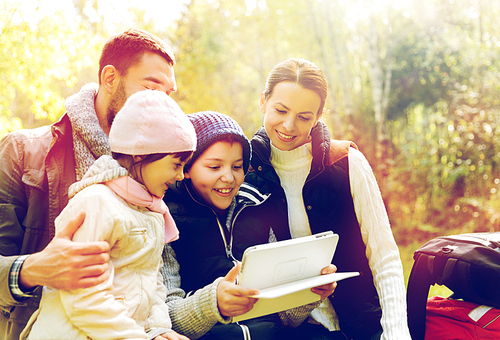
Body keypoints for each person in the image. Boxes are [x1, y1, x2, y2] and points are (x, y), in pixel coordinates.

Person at [0, 28, 177, 339]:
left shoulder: (159, 170)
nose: (161, 104)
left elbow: (153, 275)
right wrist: (31, 269)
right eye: (151, 89)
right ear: (110, 79)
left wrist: (161, 330)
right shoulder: (21, 153)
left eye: (169, 95)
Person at [244, 58, 412, 340]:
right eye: (280, 110)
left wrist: (396, 333)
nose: (289, 125)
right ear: (263, 101)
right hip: (289, 332)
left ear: (319, 115)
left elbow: (384, 258)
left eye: (304, 116)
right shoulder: (244, 174)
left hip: (361, 326)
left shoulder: (347, 162)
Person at [21, 90, 195, 340]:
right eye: (176, 165)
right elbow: (84, 298)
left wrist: (158, 330)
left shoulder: (151, 210)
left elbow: (152, 281)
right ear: (140, 154)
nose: (179, 176)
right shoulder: (96, 203)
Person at [161, 111, 337, 340]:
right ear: (186, 169)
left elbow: (284, 318)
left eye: (237, 166)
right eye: (215, 167)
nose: (229, 177)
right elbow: (165, 316)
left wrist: (308, 294)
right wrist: (213, 303)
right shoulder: (163, 218)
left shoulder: (258, 206)